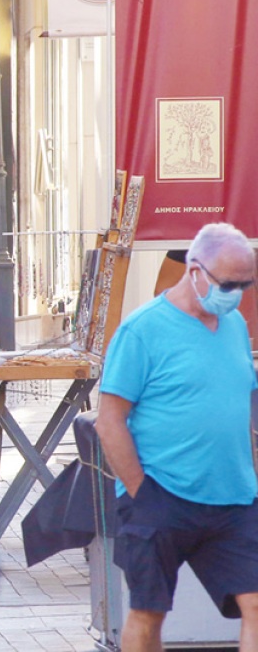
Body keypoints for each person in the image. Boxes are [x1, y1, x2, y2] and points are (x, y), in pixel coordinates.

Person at [96, 223, 258, 652]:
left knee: (256, 603)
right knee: (149, 614)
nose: (236, 294)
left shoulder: (234, 326)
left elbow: (236, 408)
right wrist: (141, 494)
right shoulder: (142, 330)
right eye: (229, 284)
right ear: (194, 270)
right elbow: (109, 420)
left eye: (245, 285)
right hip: (161, 493)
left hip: (233, 498)